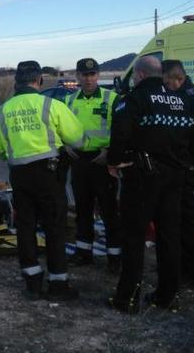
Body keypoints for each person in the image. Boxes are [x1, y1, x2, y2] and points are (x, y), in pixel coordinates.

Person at [107, 56, 194, 314]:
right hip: (176, 177)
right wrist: (190, 161)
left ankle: (127, 298)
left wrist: (115, 161)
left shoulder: (134, 99)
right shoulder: (185, 98)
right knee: (169, 235)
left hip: (142, 176)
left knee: (134, 237)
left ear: (140, 75)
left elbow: (120, 131)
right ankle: (167, 295)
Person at [0, 61, 86, 300]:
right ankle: (58, 284)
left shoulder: (2, 110)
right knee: (54, 228)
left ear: (16, 82)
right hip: (49, 175)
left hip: (20, 175)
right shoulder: (51, 105)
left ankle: (32, 283)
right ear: (39, 80)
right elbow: (79, 139)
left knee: (25, 227)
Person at [64, 58, 122, 273]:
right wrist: (64, 145)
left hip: (103, 162)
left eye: (92, 75)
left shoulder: (112, 99)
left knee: (109, 211)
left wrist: (110, 153)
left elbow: (121, 130)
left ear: (98, 75)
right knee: (82, 209)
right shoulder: (69, 101)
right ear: (77, 76)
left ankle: (115, 258)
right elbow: (60, 127)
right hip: (79, 161)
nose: (88, 79)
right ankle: (83, 253)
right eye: (84, 75)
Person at [162, 59, 194, 288]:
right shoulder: (190, 94)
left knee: (187, 220)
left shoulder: (190, 98)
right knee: (179, 219)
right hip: (184, 166)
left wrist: (189, 161)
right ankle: (185, 265)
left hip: (186, 168)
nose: (165, 86)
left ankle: (193, 271)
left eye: (166, 81)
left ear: (176, 78)